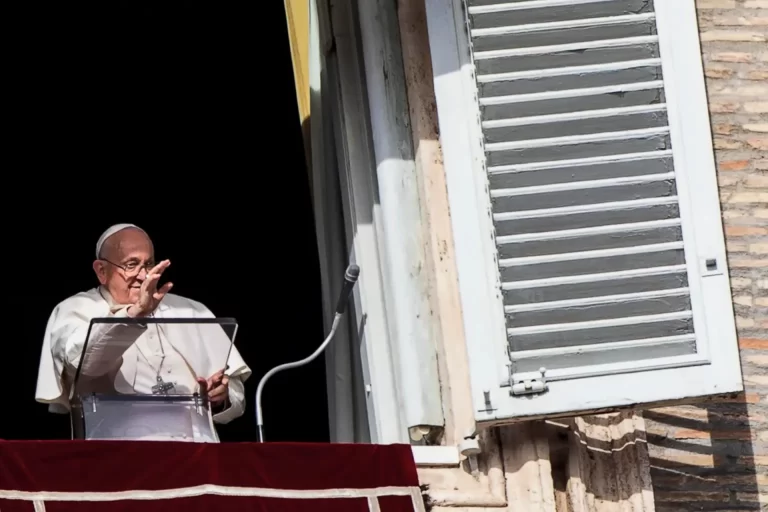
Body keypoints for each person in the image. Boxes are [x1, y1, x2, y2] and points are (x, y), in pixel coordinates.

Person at [35, 223, 252, 435]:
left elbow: (235, 389)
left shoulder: (193, 311)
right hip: (120, 454)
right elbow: (86, 365)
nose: (143, 275)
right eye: (131, 265)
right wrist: (135, 314)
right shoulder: (75, 310)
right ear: (102, 270)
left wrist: (221, 396)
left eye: (149, 264)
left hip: (196, 452)